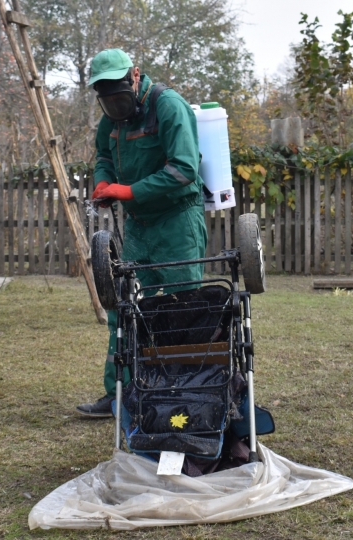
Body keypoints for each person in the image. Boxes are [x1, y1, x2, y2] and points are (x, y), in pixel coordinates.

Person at [76, 49, 208, 417]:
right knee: (126, 307)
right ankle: (120, 393)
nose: (115, 106)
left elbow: (184, 168)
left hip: (177, 222)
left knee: (185, 307)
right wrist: (104, 181)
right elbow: (104, 153)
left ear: (134, 76)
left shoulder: (168, 106)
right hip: (137, 226)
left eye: (119, 96)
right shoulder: (111, 117)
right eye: (107, 100)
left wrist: (129, 191)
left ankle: (192, 392)